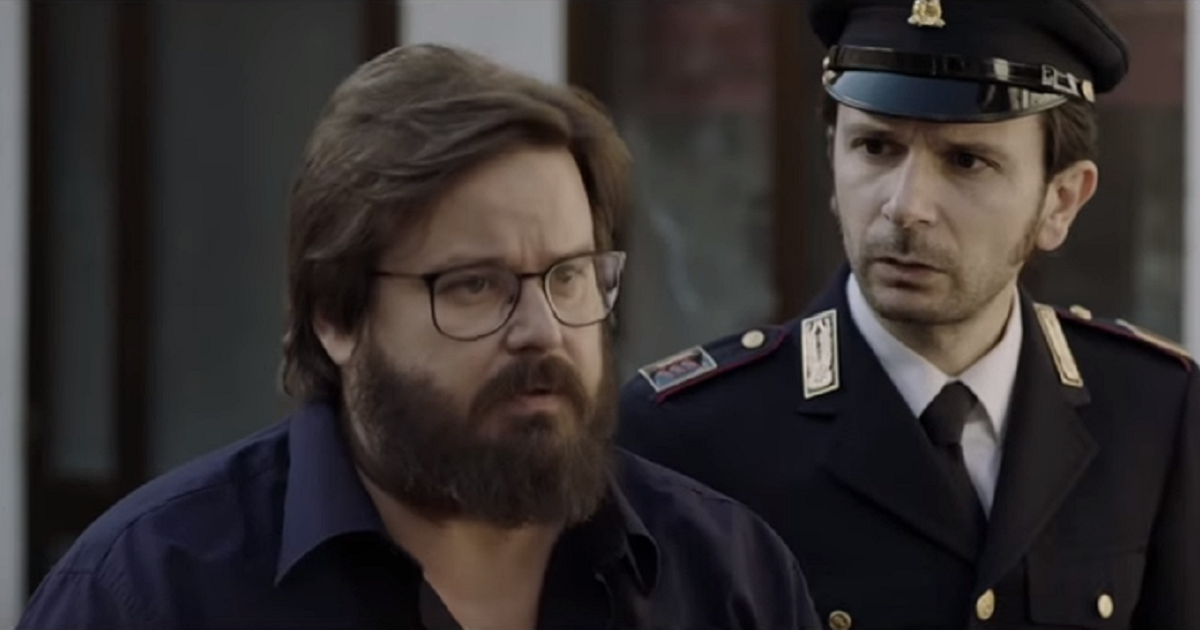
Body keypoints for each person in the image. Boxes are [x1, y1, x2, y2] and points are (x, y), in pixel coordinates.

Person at [18, 44, 820, 630]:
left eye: (570, 276)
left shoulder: (728, 580)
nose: (542, 331)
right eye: (475, 286)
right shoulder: (149, 594)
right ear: (336, 317)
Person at [618, 0, 1199, 628]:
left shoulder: (1150, 410)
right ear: (832, 158)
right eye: (875, 147)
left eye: (966, 161)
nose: (905, 206)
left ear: (1060, 201)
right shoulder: (690, 436)